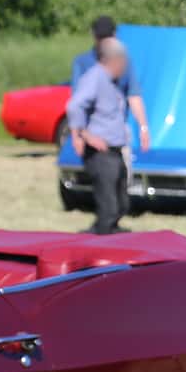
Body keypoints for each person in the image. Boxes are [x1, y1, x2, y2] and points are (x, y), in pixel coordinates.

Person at [67, 37, 135, 234]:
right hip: (100, 152)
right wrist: (85, 135)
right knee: (109, 206)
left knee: (121, 202)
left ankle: (110, 233)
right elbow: (75, 105)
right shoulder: (95, 78)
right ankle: (102, 244)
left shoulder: (112, 82)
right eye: (123, 62)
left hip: (115, 150)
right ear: (112, 60)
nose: (124, 67)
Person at [71, 15, 149, 150]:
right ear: (94, 37)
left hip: (118, 136)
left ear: (115, 35)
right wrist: (77, 136)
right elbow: (76, 104)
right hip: (92, 137)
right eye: (102, 38)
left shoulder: (124, 62)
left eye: (108, 37)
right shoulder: (83, 63)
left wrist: (143, 127)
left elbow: (134, 96)